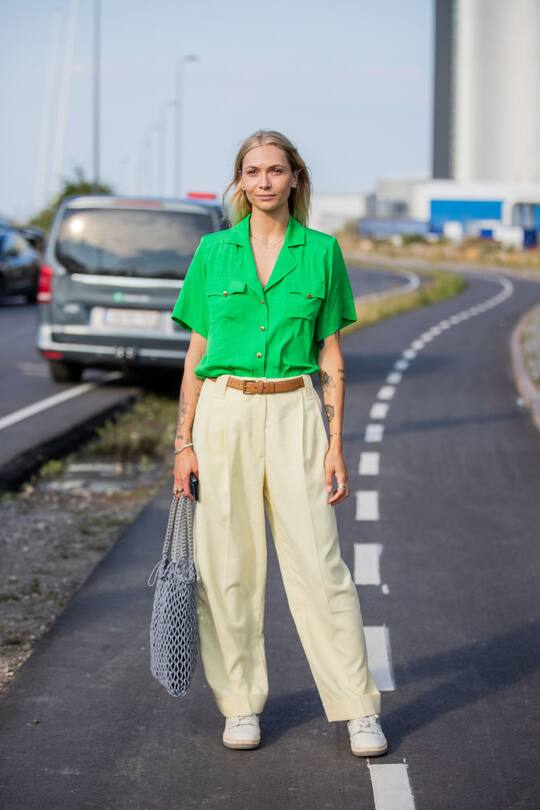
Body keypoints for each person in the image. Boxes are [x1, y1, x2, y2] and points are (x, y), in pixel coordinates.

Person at [170, 129, 387, 757]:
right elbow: (197, 354)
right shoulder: (213, 252)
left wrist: (335, 443)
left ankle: (357, 707)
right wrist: (183, 442)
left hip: (295, 409)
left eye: (276, 170)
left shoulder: (321, 253)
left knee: (321, 567)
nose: (264, 181)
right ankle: (239, 704)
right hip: (223, 412)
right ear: (239, 182)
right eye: (253, 171)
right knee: (228, 569)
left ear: (296, 178)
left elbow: (331, 354)